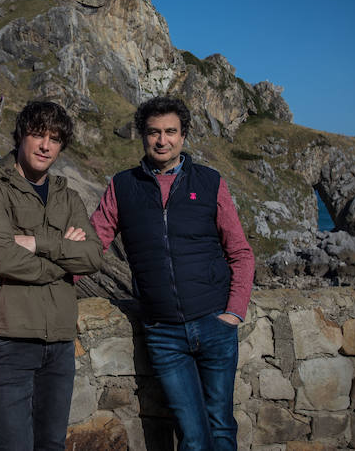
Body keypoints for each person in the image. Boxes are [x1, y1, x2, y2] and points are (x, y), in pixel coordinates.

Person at [89, 96, 254, 451]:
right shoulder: (123, 186)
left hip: (215, 323)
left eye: (170, 132)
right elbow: (93, 243)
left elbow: (240, 252)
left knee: (222, 426)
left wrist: (234, 312)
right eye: (153, 132)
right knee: (192, 437)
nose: (162, 140)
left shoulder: (210, 182)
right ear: (143, 136)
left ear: (183, 135)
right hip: (163, 333)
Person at [0, 100, 102, 451]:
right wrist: (63, 258)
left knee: (52, 445)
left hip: (59, 343)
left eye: (55, 139)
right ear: (20, 136)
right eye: (37, 134)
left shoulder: (67, 195)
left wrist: (37, 242)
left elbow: (93, 255)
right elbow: (2, 259)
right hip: (10, 341)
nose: (45, 145)